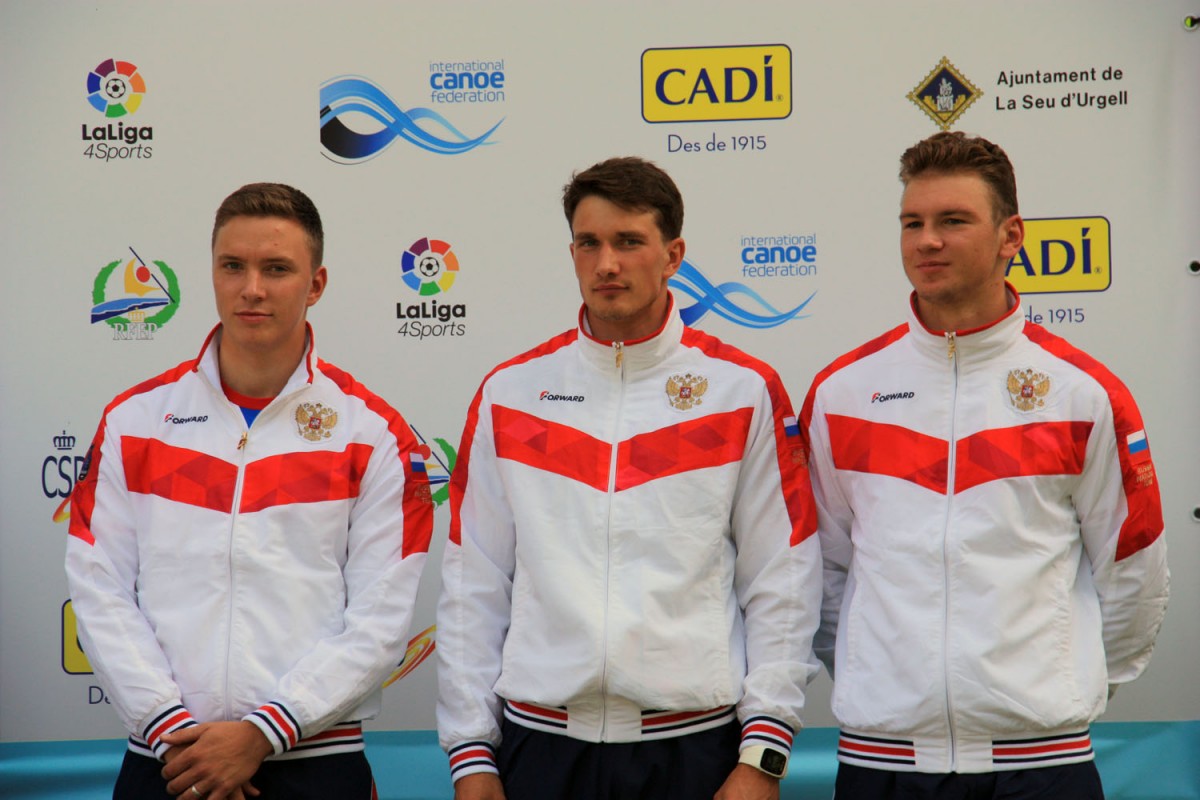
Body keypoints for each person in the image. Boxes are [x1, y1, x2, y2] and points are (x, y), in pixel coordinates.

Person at [435, 156, 823, 800]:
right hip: (540, 748)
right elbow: (472, 584)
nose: (607, 263)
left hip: (694, 749)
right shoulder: (512, 392)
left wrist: (763, 755)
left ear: (673, 255)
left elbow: (782, 578)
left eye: (629, 242)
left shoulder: (741, 390)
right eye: (589, 243)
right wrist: (471, 755)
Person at [800, 131, 1169, 799]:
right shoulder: (842, 392)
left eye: (953, 221)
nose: (927, 241)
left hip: (1042, 763)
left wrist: (1062, 685)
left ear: (1011, 236)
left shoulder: (1083, 393)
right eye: (912, 223)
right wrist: (874, 680)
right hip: (883, 763)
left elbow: (1133, 572)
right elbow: (822, 570)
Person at [66, 183, 434, 800]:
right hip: (170, 758)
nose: (252, 288)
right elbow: (99, 591)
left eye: (277, 269)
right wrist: (169, 728)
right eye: (232, 266)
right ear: (212, 273)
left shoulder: (374, 433)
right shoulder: (135, 422)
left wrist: (265, 732)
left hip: (314, 758)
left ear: (316, 285)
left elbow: (380, 620)